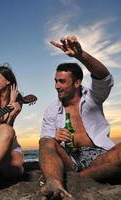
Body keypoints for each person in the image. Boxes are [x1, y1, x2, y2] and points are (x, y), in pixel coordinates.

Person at [39, 35, 121, 199]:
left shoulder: (93, 97)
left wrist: (79, 55)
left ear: (77, 83)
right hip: (71, 159)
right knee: (45, 141)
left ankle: (78, 178)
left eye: (62, 81)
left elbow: (104, 77)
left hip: (100, 157)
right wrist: (55, 138)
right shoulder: (51, 110)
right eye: (55, 81)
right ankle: (54, 183)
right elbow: (46, 146)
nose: (56, 86)